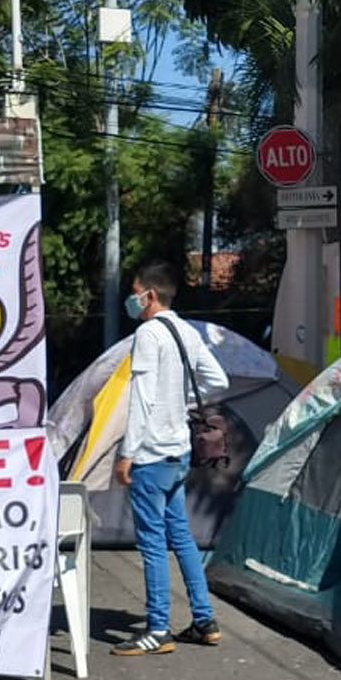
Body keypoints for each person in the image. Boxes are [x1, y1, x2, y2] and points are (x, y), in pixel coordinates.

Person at [111, 260, 228, 656]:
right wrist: (179, 403)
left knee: (152, 543)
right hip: (179, 451)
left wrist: (127, 454)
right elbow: (218, 380)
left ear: (151, 295)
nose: (132, 298)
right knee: (181, 536)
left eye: (135, 291)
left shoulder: (147, 334)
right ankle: (203, 619)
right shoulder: (187, 331)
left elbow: (141, 399)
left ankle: (157, 628)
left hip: (151, 454)